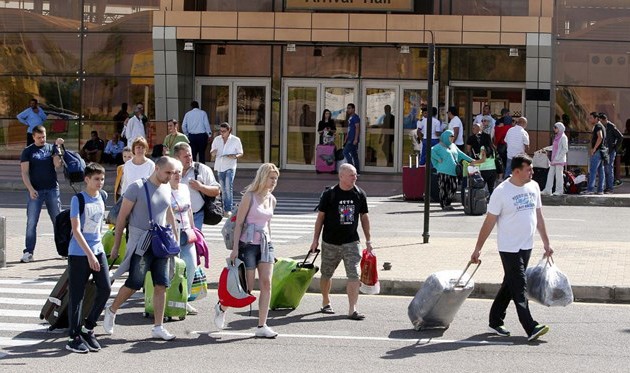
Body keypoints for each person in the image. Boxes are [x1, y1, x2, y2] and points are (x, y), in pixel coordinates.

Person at [470, 154, 553, 342]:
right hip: (509, 248)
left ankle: (495, 319)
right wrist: (478, 248)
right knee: (520, 286)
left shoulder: (534, 186)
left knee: (510, 283)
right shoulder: (501, 192)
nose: (532, 172)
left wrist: (547, 243)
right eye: (528, 169)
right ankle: (530, 326)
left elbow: (539, 216)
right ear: (516, 171)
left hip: (527, 245)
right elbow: (489, 222)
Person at [105, 156, 180, 341]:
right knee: (135, 282)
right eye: (167, 172)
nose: (170, 176)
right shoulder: (137, 187)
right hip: (142, 243)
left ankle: (158, 327)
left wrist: (176, 239)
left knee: (161, 284)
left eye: (172, 173)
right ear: (156, 168)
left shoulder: (166, 187)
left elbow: (168, 211)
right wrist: (116, 245)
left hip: (161, 243)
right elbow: (121, 217)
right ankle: (112, 310)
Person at [214, 163, 280, 338]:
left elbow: (268, 224)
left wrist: (272, 246)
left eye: (276, 179)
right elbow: (239, 224)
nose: (274, 181)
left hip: (265, 245)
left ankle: (262, 325)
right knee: (247, 288)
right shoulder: (249, 197)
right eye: (271, 178)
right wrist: (235, 249)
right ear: (263, 177)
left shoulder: (272, 199)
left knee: (266, 283)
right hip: (247, 244)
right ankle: (221, 307)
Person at [310, 163, 372, 320]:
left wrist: (368, 240)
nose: (355, 177)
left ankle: (352, 309)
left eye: (355, 174)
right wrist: (315, 240)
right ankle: (325, 301)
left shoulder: (360, 194)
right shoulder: (330, 194)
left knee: (354, 274)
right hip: (330, 241)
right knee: (326, 273)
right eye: (351, 175)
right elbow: (320, 218)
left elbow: (364, 217)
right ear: (341, 176)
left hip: (351, 242)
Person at [65, 162, 112, 353]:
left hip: (97, 249)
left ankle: (88, 327)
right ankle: (73, 336)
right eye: (96, 179)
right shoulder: (78, 199)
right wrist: (90, 255)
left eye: (102, 179)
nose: (100, 182)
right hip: (79, 253)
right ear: (87, 180)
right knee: (77, 295)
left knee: (106, 288)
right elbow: (76, 230)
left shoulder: (102, 196)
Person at [20, 125, 64, 263]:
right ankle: (28, 251)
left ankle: (64, 250)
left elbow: (58, 165)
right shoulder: (28, 151)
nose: (42, 140)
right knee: (32, 222)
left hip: (52, 189)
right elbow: (24, 172)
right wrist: (30, 189)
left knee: (58, 221)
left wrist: (57, 149)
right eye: (39, 137)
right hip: (36, 191)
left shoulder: (51, 148)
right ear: (33, 137)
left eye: (44, 137)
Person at [169, 158, 198, 316]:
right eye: (173, 172)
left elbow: (189, 210)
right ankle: (171, 300)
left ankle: (184, 300)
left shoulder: (185, 188)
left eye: (179, 172)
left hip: (186, 232)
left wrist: (194, 229)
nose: (177, 175)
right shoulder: (164, 189)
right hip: (171, 234)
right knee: (173, 269)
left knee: (191, 265)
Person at [175, 142, 221, 230]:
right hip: (176, 217)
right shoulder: (171, 171)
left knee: (194, 242)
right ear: (177, 158)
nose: (189, 159)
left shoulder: (202, 169)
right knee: (177, 243)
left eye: (190, 155)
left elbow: (217, 190)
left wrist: (201, 187)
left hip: (196, 215)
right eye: (185, 156)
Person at [431, 130, 481, 211]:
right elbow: (431, 151)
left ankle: (448, 203)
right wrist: (438, 159)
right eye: (450, 136)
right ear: (445, 137)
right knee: (444, 188)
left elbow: (461, 154)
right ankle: (444, 205)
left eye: (453, 136)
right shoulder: (439, 146)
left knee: (453, 188)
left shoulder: (453, 146)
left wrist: (472, 160)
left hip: (453, 171)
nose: (452, 138)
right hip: (443, 171)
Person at [210, 122, 243, 217]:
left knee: (228, 187)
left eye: (224, 131)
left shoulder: (235, 140)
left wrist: (235, 156)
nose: (222, 133)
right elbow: (212, 153)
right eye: (220, 131)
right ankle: (224, 208)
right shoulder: (217, 139)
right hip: (220, 166)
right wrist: (214, 152)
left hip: (230, 166)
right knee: (222, 188)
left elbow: (240, 153)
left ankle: (228, 209)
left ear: (229, 131)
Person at [466, 123, 498, 196]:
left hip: (484, 169)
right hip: (493, 169)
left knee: (481, 187)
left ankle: (481, 202)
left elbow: (483, 160)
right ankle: (492, 201)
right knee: (491, 188)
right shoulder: (493, 148)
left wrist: (474, 162)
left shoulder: (483, 148)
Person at [542, 122, 568, 196]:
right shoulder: (557, 137)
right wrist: (546, 148)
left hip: (559, 159)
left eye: (556, 128)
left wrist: (558, 157)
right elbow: (554, 147)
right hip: (554, 159)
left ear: (560, 128)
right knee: (550, 174)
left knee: (559, 175)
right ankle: (547, 190)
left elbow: (565, 149)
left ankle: (559, 190)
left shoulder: (563, 137)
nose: (554, 129)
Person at [599, 113, 623, 194]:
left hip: (610, 151)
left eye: (601, 120)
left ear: (604, 120)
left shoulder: (611, 126)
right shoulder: (601, 126)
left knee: (609, 169)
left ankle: (610, 188)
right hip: (604, 150)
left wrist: (615, 148)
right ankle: (606, 187)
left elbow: (620, 137)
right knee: (605, 169)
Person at [584, 112, 606, 195]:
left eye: (591, 118)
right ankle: (600, 190)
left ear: (596, 118)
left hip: (597, 151)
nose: (589, 119)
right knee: (601, 171)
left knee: (593, 171)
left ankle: (590, 189)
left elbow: (600, 137)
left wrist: (594, 149)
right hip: (601, 151)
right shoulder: (601, 126)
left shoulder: (598, 126)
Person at [493, 113, 513, 180]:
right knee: (507, 162)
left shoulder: (499, 128)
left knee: (499, 161)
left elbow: (497, 136)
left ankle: (499, 176)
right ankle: (507, 176)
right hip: (508, 146)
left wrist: (495, 144)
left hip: (500, 146)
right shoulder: (511, 128)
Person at [343, 103, 361, 173]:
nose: (348, 110)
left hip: (353, 139)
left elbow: (357, 128)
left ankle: (352, 169)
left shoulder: (355, 117)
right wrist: (345, 139)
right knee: (354, 155)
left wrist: (356, 139)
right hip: (349, 138)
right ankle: (357, 171)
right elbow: (349, 129)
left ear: (353, 109)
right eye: (347, 108)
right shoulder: (349, 118)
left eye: (349, 108)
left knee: (345, 152)